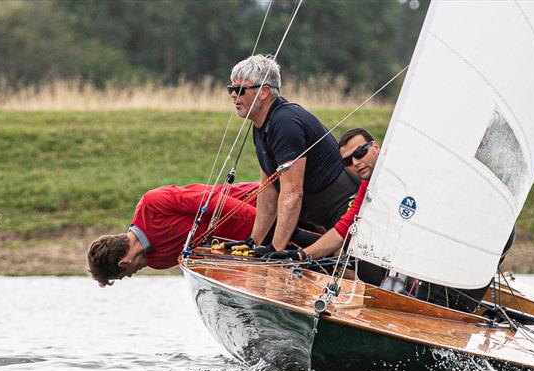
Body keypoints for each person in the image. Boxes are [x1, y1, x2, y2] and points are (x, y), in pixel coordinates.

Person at [229, 55, 358, 254]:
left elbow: (292, 192)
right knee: (274, 233)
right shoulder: (261, 124)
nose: (233, 95)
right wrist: (253, 243)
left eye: (240, 90)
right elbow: (269, 190)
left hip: (347, 218)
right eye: (231, 89)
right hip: (323, 220)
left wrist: (275, 250)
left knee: (348, 268)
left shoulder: (285, 122)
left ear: (263, 92)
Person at [87, 182, 258, 287]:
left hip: (261, 202)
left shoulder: (152, 204)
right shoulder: (157, 262)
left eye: (127, 274)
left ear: (124, 262)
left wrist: (264, 224)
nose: (132, 274)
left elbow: (215, 202)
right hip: (256, 243)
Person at [265, 128, 379, 261]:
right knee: (342, 251)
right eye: (347, 161)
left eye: (360, 153)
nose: (355, 163)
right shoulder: (367, 185)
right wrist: (299, 255)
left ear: (375, 146)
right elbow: (342, 231)